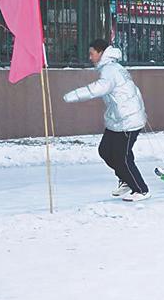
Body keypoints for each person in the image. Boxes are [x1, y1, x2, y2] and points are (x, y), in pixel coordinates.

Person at [63, 39, 150, 202]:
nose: (90, 57)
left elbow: (97, 89)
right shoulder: (111, 68)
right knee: (105, 150)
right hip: (117, 119)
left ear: (101, 52)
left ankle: (141, 189)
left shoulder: (110, 70)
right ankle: (126, 179)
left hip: (128, 120)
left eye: (92, 53)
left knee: (122, 157)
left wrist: (73, 95)